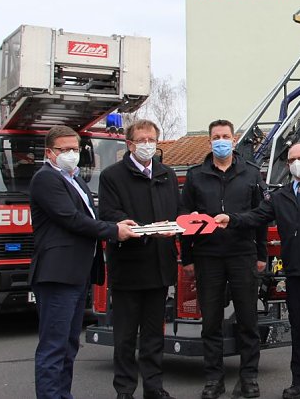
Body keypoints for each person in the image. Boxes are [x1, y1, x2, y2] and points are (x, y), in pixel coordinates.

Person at [214, 143, 300, 399]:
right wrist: (232, 219)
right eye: (292, 159)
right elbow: (257, 216)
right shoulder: (280, 196)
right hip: (295, 274)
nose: (297, 163)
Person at [29, 125, 138, 399]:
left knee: (68, 345)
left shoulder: (74, 179)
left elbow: (88, 214)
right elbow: (71, 219)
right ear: (49, 153)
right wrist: (113, 231)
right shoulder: (46, 179)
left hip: (76, 274)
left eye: (75, 149)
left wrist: (114, 222)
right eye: (64, 150)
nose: (71, 154)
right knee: (54, 346)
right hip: (57, 274)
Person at [180, 119, 268, 399]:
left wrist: (261, 253)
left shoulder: (252, 173)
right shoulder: (195, 176)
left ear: (234, 140)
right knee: (211, 322)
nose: (221, 140)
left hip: (243, 254)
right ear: (209, 141)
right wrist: (188, 259)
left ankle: (249, 377)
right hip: (207, 257)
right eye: (216, 136)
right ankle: (213, 379)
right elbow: (185, 221)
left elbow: (261, 217)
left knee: (247, 319)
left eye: (226, 136)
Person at [99, 120, 183, 399]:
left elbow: (177, 212)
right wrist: (130, 227)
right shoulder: (112, 176)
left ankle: (154, 387)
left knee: (153, 336)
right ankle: (124, 389)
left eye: (151, 139)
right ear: (130, 144)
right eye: (142, 140)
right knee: (124, 337)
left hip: (160, 267)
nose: (147, 145)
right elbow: (108, 215)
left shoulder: (166, 174)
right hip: (129, 268)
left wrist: (177, 227)